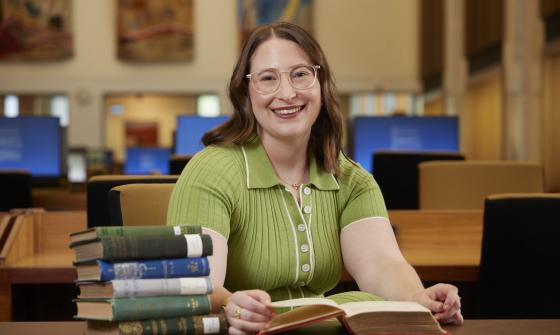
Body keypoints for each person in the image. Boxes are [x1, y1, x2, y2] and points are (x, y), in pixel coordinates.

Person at [167, 21, 463, 335]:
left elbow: (381, 264)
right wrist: (233, 304)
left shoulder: (351, 178)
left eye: (300, 74)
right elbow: (197, 283)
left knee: (369, 304)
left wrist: (418, 298)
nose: (287, 92)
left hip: (316, 326)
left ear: (320, 83)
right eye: (268, 78)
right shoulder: (212, 170)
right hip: (242, 329)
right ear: (246, 92)